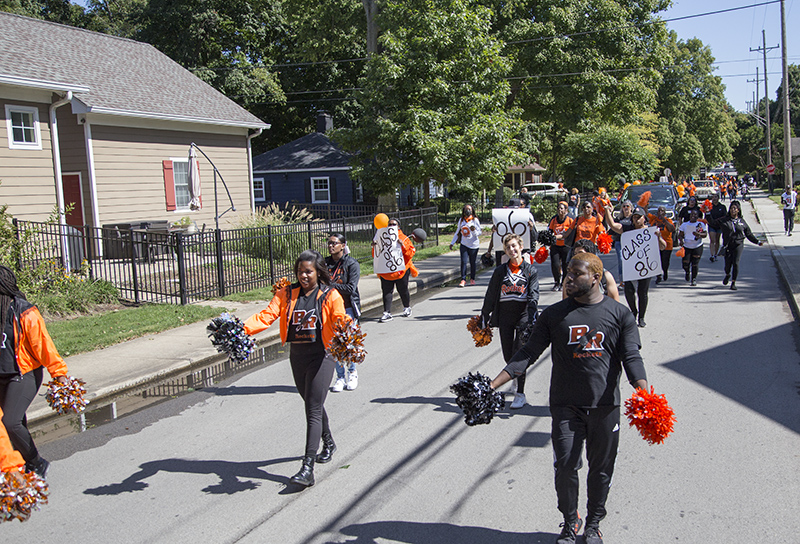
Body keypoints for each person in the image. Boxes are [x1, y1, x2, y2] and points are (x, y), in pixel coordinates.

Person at [490, 252, 648, 544]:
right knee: (565, 467)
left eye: (577, 274)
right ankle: (569, 520)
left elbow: (631, 356)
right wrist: (493, 385)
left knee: (600, 470)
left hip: (605, 407)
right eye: (568, 274)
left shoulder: (620, 314)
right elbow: (527, 353)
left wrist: (644, 392)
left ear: (596, 278)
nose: (569, 278)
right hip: (565, 405)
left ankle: (593, 524)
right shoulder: (554, 315)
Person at [244, 250, 349, 487]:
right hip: (298, 356)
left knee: (312, 408)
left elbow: (340, 317)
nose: (303, 275)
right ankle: (329, 442)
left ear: (318, 272)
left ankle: (307, 468)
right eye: (300, 271)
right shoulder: (287, 294)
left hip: (323, 355)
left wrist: (346, 331)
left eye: (308, 271)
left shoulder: (330, 295)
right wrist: (242, 330)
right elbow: (267, 315)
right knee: (312, 402)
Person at [0, 265, 68, 478]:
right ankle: (19, 465)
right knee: (15, 423)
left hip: (23, 375)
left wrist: (59, 373)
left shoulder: (24, 311)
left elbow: (43, 345)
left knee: (10, 422)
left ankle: (36, 462)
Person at [480, 234, 539, 410]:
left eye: (514, 246)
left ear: (521, 246)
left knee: (519, 354)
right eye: (508, 248)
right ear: (505, 251)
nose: (512, 250)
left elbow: (534, 294)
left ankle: (520, 394)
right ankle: (513, 377)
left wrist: (532, 313)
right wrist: (484, 315)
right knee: (508, 355)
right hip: (505, 316)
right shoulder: (500, 271)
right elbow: (491, 294)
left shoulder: (530, 271)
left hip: (523, 316)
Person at [605, 206, 661, 327]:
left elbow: (662, 246)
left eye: (638, 217)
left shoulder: (651, 231)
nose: (636, 219)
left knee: (642, 291)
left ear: (644, 218)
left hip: (645, 266)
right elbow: (613, 225)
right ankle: (633, 311)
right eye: (634, 217)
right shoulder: (627, 229)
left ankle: (641, 317)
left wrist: (659, 237)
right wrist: (606, 211)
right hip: (630, 266)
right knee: (628, 290)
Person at [325, 233, 361, 392]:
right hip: (328, 309)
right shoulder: (324, 264)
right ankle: (340, 377)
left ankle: (352, 372)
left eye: (334, 243)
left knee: (347, 342)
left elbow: (350, 288)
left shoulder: (351, 264)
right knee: (333, 343)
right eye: (329, 243)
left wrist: (330, 286)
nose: (331, 246)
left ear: (343, 245)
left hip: (347, 308)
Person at [374, 218, 417, 323]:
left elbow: (410, 254)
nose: (391, 226)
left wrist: (402, 245)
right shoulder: (381, 238)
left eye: (394, 224)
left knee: (403, 289)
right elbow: (377, 255)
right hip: (386, 271)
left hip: (401, 270)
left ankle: (407, 307)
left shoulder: (403, 238)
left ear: (398, 227)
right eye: (389, 224)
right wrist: (375, 246)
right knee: (387, 291)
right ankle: (387, 312)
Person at [714, 201, 763, 290]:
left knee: (736, 263)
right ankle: (727, 274)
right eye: (732, 208)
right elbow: (712, 223)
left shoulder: (741, 221)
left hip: (738, 244)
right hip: (728, 245)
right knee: (727, 265)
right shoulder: (724, 220)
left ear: (738, 210)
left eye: (735, 208)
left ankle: (733, 282)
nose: (733, 210)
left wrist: (757, 242)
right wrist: (708, 213)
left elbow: (748, 234)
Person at [450, 204, 482, 287]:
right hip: (464, 244)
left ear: (472, 211)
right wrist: (452, 243)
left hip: (474, 245)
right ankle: (463, 279)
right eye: (466, 209)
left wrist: (474, 230)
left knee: (472, 262)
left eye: (469, 209)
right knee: (463, 262)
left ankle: (472, 279)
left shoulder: (475, 220)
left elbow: (479, 233)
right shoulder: (461, 220)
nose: (468, 211)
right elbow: (457, 232)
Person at [548, 202, 574, 290]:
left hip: (566, 246)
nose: (560, 210)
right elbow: (549, 231)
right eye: (559, 208)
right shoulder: (554, 220)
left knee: (565, 265)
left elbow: (573, 232)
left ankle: (563, 282)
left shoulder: (570, 220)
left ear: (566, 210)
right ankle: (556, 282)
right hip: (555, 246)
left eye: (562, 208)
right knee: (555, 264)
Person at [677, 208, 707, 286]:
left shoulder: (700, 225)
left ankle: (693, 279)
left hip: (697, 246)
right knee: (685, 263)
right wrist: (681, 241)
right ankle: (687, 272)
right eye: (692, 214)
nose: (693, 216)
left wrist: (699, 235)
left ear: (697, 216)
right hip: (687, 246)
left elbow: (705, 234)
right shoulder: (684, 224)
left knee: (695, 264)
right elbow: (680, 235)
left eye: (695, 215)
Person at [650, 206, 676, 284]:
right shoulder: (654, 219)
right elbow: (645, 212)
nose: (660, 212)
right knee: (657, 260)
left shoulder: (669, 220)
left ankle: (665, 271)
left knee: (665, 261)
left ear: (665, 213)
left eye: (662, 211)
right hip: (656, 244)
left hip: (667, 244)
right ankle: (658, 276)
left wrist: (664, 220)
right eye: (659, 211)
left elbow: (672, 229)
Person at [610, 200, 633, 282]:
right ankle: (622, 281)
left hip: (631, 243)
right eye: (624, 206)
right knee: (621, 260)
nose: (626, 208)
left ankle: (631, 278)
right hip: (619, 242)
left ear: (631, 208)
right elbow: (612, 229)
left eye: (627, 206)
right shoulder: (619, 219)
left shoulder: (634, 218)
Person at [705, 194, 726, 262]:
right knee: (712, 240)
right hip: (711, 225)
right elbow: (706, 216)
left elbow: (725, 216)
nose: (714, 198)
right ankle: (712, 255)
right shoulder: (709, 206)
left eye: (716, 197)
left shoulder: (722, 207)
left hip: (719, 226)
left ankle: (716, 254)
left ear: (718, 198)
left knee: (717, 240)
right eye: (713, 197)